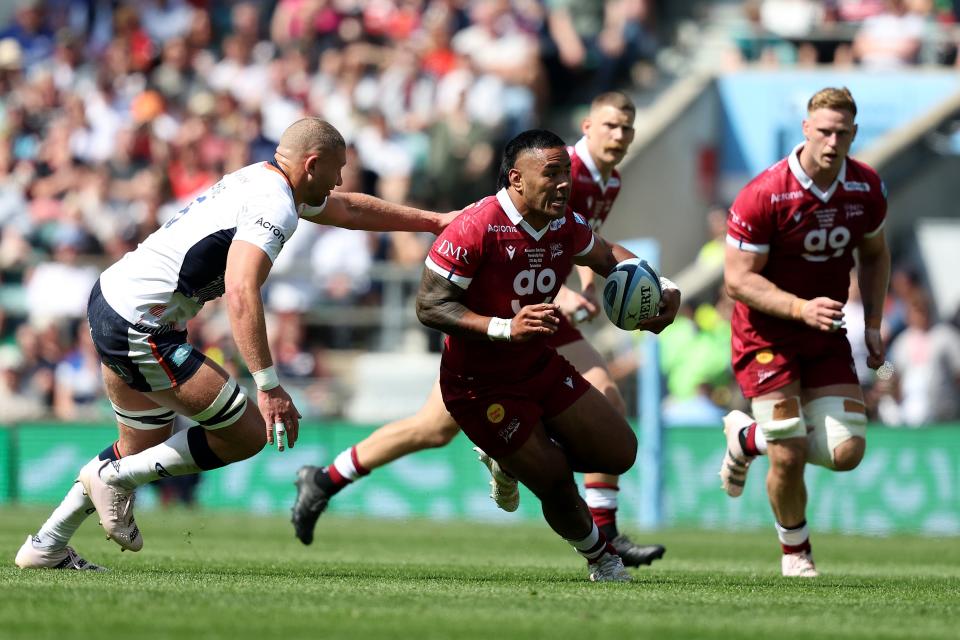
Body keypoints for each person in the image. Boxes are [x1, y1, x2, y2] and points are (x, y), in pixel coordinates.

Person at [14, 117, 453, 571]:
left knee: (140, 445)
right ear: (312, 164)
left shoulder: (262, 179)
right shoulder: (275, 204)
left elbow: (350, 211)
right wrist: (269, 385)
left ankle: (47, 544)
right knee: (244, 434)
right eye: (336, 170)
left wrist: (434, 221)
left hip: (115, 298)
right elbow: (243, 290)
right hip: (141, 323)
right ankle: (115, 478)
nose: (340, 181)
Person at [291, 92, 667, 567]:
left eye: (627, 129)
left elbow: (587, 247)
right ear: (586, 128)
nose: (620, 136)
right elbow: (430, 300)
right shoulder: (558, 176)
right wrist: (559, 299)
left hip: (535, 321)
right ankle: (602, 533)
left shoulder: (596, 183)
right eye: (611, 126)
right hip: (502, 331)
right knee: (598, 398)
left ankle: (326, 480)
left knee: (433, 428)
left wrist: (650, 286)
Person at [416, 129, 679, 581]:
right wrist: (503, 328)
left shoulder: (564, 223)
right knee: (554, 478)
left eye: (567, 173)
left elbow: (606, 255)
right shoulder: (475, 227)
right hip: (478, 386)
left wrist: (660, 287)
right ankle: (603, 560)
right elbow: (429, 305)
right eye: (551, 173)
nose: (563, 183)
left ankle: (512, 455)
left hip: (539, 366)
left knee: (619, 452)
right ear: (517, 179)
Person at [719, 87, 890, 577]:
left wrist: (873, 324)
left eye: (842, 133)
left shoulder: (866, 187)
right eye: (824, 131)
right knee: (789, 453)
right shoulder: (764, 193)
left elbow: (875, 254)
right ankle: (796, 553)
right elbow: (738, 279)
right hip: (766, 336)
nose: (833, 142)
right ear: (806, 131)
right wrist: (797, 307)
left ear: (854, 134)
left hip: (825, 332)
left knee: (847, 451)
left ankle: (747, 438)